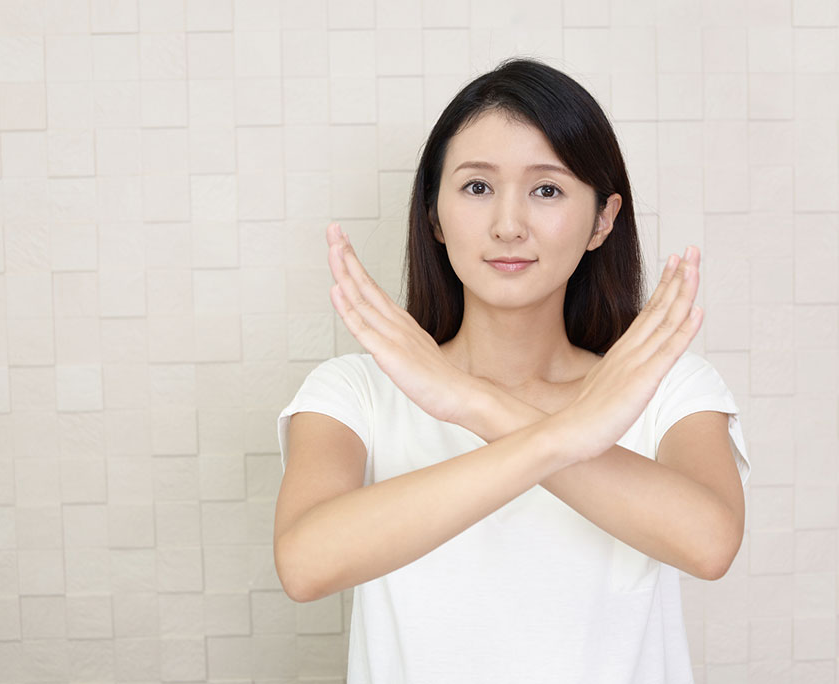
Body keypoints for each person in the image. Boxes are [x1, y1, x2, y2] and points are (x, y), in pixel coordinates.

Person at [273, 57, 750, 683]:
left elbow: (709, 544)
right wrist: (562, 435)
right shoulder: (354, 393)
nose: (508, 224)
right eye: (477, 187)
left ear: (602, 220)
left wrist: (472, 404)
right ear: (435, 215)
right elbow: (306, 565)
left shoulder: (667, 389)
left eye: (546, 189)